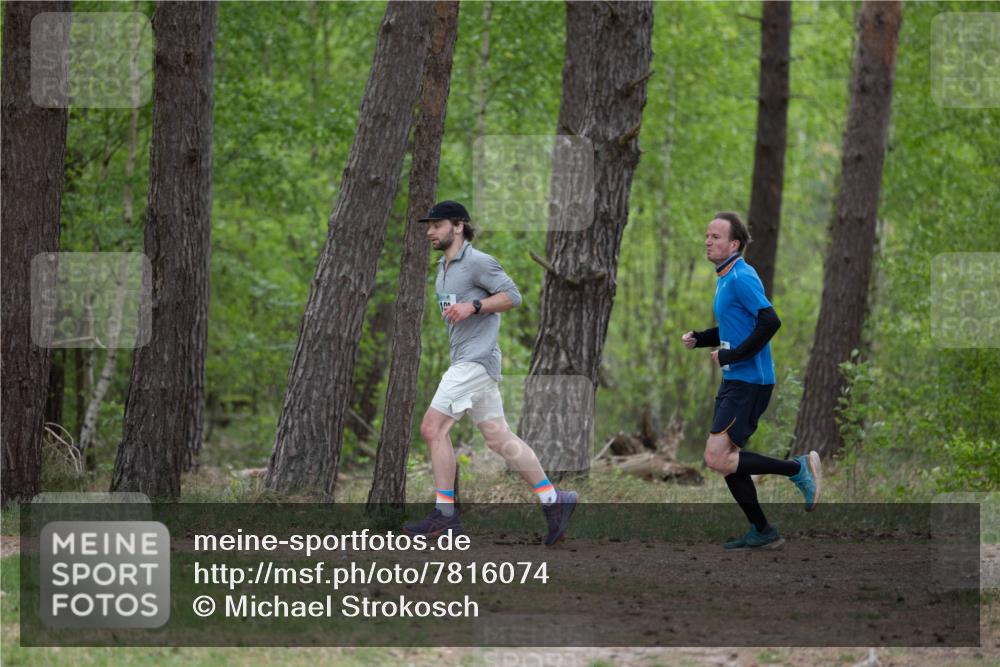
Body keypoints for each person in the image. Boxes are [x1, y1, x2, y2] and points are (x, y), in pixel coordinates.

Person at [404, 200, 577, 546]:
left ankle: (445, 517)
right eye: (429, 226)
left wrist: (474, 305)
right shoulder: (443, 268)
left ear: (458, 226)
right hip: (474, 363)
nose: (430, 231)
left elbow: (513, 296)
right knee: (499, 438)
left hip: (474, 362)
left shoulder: (478, 261)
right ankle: (553, 500)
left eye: (437, 225)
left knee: (431, 428)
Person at [682, 212, 821, 550]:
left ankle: (797, 468)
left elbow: (770, 322)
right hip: (737, 379)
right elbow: (735, 327)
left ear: (735, 244)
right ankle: (762, 531)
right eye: (707, 235)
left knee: (717, 457)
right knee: (729, 461)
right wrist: (702, 338)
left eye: (716, 237)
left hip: (750, 382)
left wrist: (733, 356)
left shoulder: (742, 276)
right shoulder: (725, 277)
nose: (708, 241)